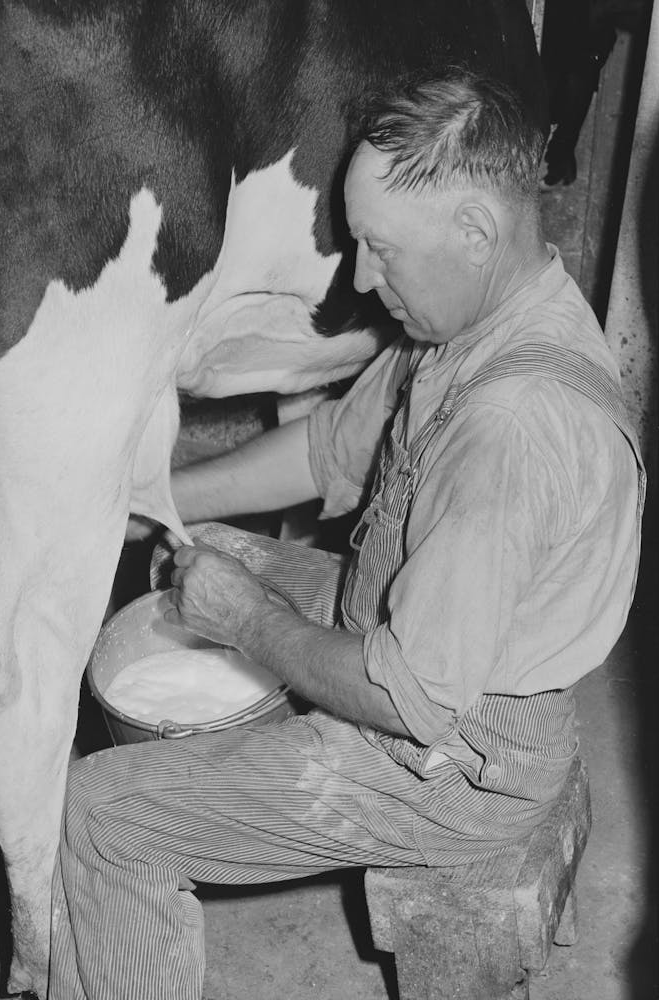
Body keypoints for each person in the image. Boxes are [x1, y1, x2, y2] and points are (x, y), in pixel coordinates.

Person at [49, 68, 644, 1000]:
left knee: (101, 811)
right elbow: (329, 451)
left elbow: (412, 700)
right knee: (211, 556)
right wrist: (156, 493)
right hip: (428, 640)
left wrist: (252, 625)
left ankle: (219, 805)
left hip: (455, 765)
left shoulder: (511, 429)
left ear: (476, 232)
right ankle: (247, 756)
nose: (362, 278)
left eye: (380, 249)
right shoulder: (478, 315)